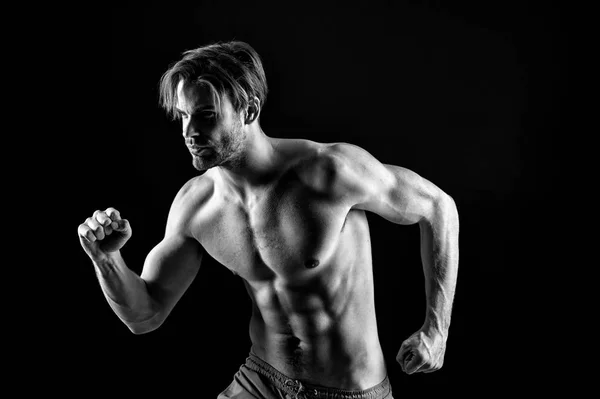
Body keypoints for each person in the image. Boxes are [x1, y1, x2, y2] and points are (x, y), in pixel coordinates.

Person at [78, 40, 459, 399]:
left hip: (351, 391)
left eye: (206, 116)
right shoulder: (196, 205)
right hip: (261, 381)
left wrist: (436, 330)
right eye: (183, 115)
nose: (189, 132)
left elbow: (438, 207)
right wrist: (106, 260)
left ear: (250, 110)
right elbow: (145, 315)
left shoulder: (328, 172)